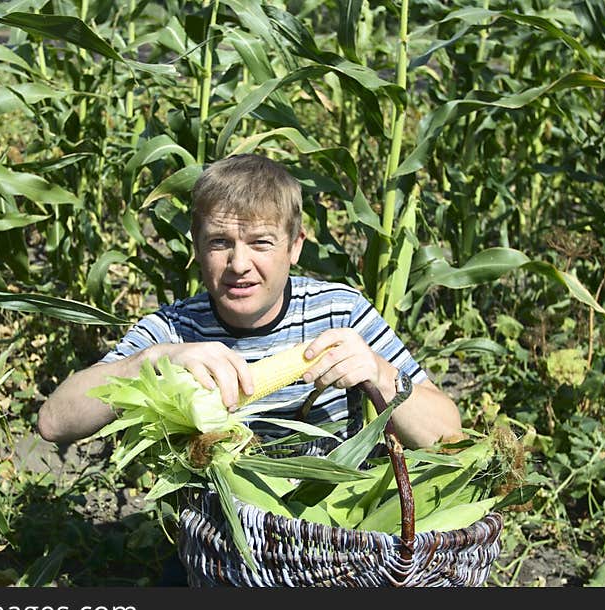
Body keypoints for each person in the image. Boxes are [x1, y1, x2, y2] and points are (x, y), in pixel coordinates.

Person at [37, 154, 462, 454]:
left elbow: (449, 435)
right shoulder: (174, 331)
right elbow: (54, 422)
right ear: (198, 249)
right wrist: (148, 362)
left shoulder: (340, 312)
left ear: (295, 247)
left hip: (335, 535)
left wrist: (383, 374)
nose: (239, 265)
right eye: (220, 243)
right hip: (220, 537)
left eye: (261, 243)